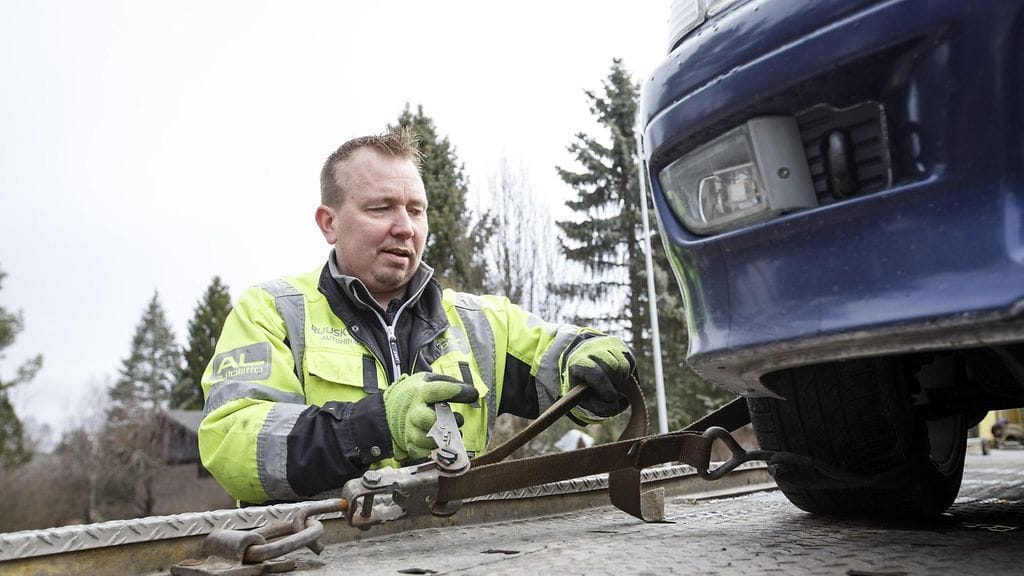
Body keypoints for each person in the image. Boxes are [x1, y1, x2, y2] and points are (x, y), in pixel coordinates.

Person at [198, 128, 635, 504]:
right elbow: (233, 441)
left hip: (459, 556)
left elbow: (560, 364)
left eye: (416, 209)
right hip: (319, 554)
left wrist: (593, 359)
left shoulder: (480, 323)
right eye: (381, 208)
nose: (405, 227)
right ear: (328, 223)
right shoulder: (272, 311)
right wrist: (374, 427)